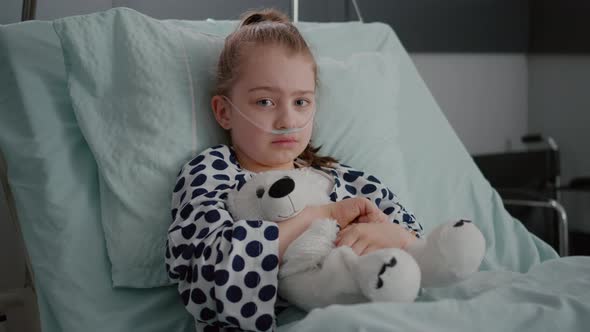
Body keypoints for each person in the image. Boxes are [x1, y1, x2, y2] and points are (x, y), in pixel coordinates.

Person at [165, 8, 423, 332]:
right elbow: (208, 271)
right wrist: (320, 215)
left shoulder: (347, 180)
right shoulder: (212, 173)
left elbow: (422, 249)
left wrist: (394, 235)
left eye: (301, 102)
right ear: (224, 112)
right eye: (265, 102)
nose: (287, 121)